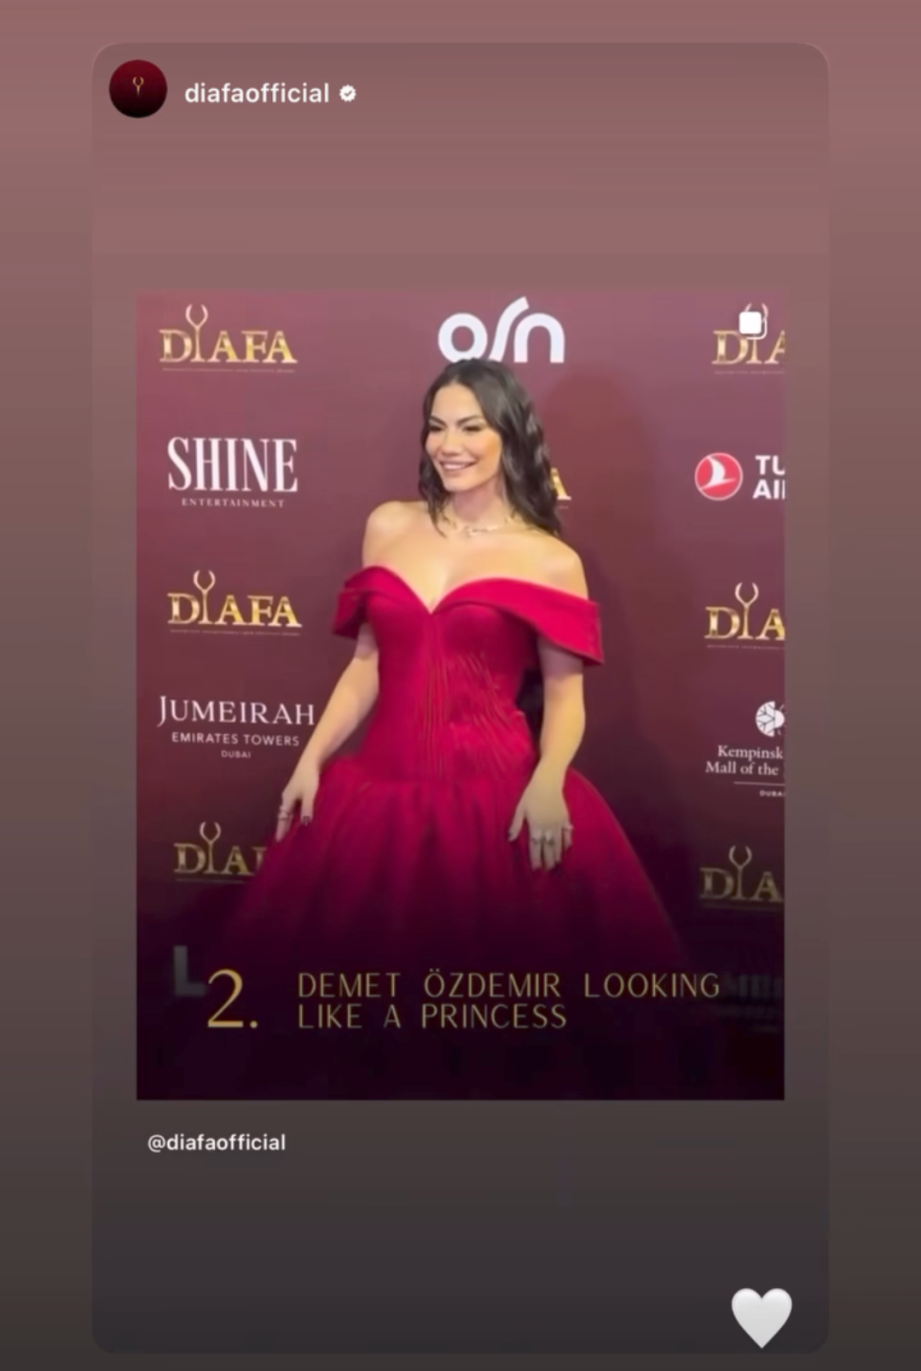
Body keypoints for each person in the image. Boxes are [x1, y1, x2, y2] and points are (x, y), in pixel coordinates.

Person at [196, 359, 694, 1097]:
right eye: (436, 427)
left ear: (509, 436)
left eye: (470, 426)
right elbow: (368, 663)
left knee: (503, 1041)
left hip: (497, 805)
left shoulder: (549, 559)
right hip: (376, 799)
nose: (448, 445)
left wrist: (549, 780)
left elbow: (566, 701)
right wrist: (310, 758)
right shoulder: (388, 525)